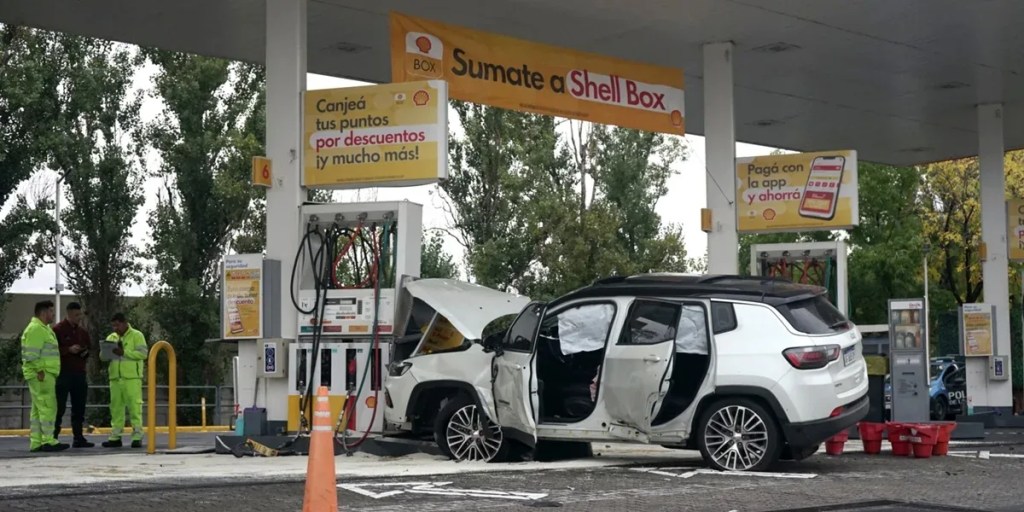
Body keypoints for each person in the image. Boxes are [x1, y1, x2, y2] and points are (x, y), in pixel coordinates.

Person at [21, 300, 69, 452]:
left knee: (37, 410)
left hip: (43, 373)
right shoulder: (36, 329)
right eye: (51, 311)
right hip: (41, 374)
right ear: (43, 313)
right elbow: (31, 354)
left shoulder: (43, 329)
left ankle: (36, 442)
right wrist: (40, 370)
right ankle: (49, 440)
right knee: (48, 407)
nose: (53, 314)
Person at [100, 313, 148, 448]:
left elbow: (143, 354)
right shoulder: (111, 337)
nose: (115, 328)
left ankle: (137, 436)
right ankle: (115, 437)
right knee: (115, 408)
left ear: (125, 322)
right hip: (115, 378)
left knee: (134, 407)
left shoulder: (137, 335)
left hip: (132, 378)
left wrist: (124, 352)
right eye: (113, 325)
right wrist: (106, 351)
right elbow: (102, 357)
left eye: (117, 325)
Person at [53, 302, 94, 448]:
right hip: (63, 373)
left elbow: (89, 348)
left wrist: (84, 352)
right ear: (69, 314)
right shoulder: (57, 330)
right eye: (76, 315)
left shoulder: (82, 332)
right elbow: (53, 349)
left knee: (79, 406)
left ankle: (78, 437)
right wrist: (68, 350)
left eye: (80, 315)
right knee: (59, 406)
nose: (79, 318)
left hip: (79, 372)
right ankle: (53, 436)